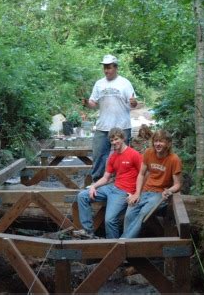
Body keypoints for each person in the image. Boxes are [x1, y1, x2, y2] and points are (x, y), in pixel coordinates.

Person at [76, 127, 142, 239]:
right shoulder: (113, 157)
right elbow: (106, 177)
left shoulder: (134, 154)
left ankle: (113, 247)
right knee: (82, 196)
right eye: (112, 140)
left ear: (123, 138)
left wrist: (137, 193)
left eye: (116, 139)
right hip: (112, 187)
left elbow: (143, 174)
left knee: (110, 220)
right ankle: (88, 231)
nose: (114, 142)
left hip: (123, 192)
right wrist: (93, 186)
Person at [83, 54, 137, 182]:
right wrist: (86, 103)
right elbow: (93, 103)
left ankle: (122, 182)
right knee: (99, 155)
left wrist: (134, 102)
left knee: (123, 156)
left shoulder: (125, 83)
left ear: (116, 67)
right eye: (104, 67)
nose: (106, 70)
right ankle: (97, 182)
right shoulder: (99, 84)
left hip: (122, 126)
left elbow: (133, 104)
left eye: (109, 67)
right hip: (103, 126)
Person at [121, 129, 182, 239]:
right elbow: (141, 174)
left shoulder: (174, 159)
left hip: (160, 194)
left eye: (161, 141)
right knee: (129, 214)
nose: (158, 144)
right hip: (145, 191)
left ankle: (123, 243)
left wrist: (169, 191)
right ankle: (128, 246)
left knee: (143, 213)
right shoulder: (149, 153)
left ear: (168, 143)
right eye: (156, 141)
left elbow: (177, 184)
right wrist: (137, 193)